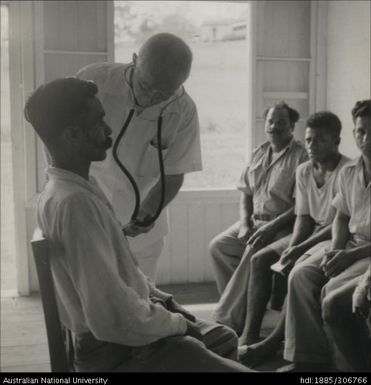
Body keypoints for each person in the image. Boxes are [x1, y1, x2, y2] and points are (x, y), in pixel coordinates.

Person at [25, 77, 250, 372]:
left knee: (223, 337)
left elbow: (121, 274)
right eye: (99, 121)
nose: (108, 129)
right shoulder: (75, 204)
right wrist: (179, 325)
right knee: (197, 345)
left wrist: (165, 303)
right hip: (116, 353)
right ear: (72, 135)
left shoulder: (75, 188)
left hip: (120, 341)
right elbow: (113, 316)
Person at [77, 33, 202, 280]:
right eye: (145, 86)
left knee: (140, 300)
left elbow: (174, 174)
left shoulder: (184, 111)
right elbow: (58, 138)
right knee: (89, 298)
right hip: (88, 213)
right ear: (134, 60)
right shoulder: (93, 80)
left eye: (163, 94)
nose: (150, 98)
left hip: (141, 231)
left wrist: (148, 212)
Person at [239, 111, 350, 367]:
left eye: (319, 140)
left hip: (334, 236)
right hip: (310, 234)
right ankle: (250, 332)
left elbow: (337, 224)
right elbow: (303, 218)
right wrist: (292, 247)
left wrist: (301, 249)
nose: (311, 145)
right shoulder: (303, 171)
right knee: (263, 259)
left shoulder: (346, 170)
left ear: (336, 141)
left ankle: (276, 343)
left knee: (297, 271)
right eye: (309, 139)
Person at [280, 100, 371, 372]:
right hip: (351, 245)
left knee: (331, 292)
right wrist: (336, 249)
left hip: (366, 253)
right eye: (361, 131)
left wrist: (348, 256)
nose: (365, 139)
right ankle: (309, 358)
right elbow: (342, 216)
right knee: (301, 274)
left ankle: (344, 369)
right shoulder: (350, 171)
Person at [210, 102, 308, 339]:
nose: (274, 127)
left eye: (281, 122)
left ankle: (227, 321)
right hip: (255, 220)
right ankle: (242, 307)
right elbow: (246, 193)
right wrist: (244, 223)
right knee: (219, 247)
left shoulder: (301, 157)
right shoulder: (259, 152)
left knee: (252, 251)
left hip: (282, 225)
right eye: (270, 121)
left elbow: (301, 206)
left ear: (292, 126)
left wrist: (270, 228)